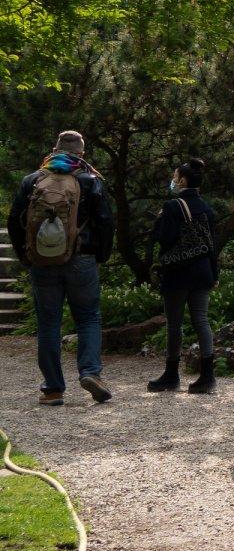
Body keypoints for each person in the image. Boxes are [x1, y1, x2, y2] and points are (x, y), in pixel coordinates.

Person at [9, 131, 115, 407]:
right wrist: (100, 255)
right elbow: (106, 221)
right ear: (81, 153)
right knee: (88, 318)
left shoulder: (33, 180)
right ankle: (90, 373)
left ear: (55, 150)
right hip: (82, 259)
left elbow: (14, 220)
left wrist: (26, 257)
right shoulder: (90, 180)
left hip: (42, 261)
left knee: (48, 323)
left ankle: (53, 389)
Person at [147, 158, 220, 394]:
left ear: (183, 180)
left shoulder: (172, 207)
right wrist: (214, 273)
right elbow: (212, 243)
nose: (173, 180)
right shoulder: (206, 207)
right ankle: (207, 376)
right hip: (203, 271)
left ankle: (171, 375)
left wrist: (159, 222)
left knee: (174, 323)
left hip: (178, 272)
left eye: (175, 176)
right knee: (201, 320)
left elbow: (165, 239)